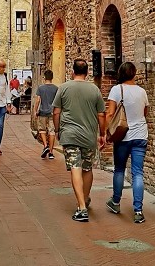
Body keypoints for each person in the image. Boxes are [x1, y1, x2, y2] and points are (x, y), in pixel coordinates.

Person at [52, 58, 106, 222]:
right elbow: (101, 114)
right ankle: (85, 198)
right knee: (87, 169)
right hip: (88, 136)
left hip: (70, 134)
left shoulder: (63, 88)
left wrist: (57, 130)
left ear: (72, 71)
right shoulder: (94, 90)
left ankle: (82, 207)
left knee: (75, 167)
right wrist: (102, 133)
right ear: (87, 72)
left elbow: (56, 112)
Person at [105, 61, 149, 224]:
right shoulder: (142, 92)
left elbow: (110, 113)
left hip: (123, 135)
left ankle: (116, 202)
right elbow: (145, 112)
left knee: (119, 169)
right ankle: (138, 210)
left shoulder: (117, 90)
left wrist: (106, 133)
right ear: (134, 73)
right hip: (140, 135)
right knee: (138, 172)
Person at [34, 69, 58, 159]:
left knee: (42, 129)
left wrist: (35, 110)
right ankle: (51, 152)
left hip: (43, 112)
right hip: (52, 113)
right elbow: (57, 102)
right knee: (52, 131)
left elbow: (38, 100)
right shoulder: (56, 88)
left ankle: (45, 146)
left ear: (44, 77)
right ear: (52, 78)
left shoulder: (41, 88)